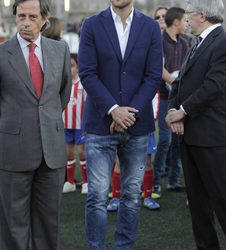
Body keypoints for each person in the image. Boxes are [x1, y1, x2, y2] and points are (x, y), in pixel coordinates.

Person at [0, 0, 72, 249]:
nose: (26, 23)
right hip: (12, 151)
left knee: (48, 225)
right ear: (15, 18)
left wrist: (44, 122)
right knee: (14, 227)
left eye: (32, 17)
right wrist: (14, 125)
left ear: (44, 19)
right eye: (21, 16)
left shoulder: (60, 50)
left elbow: (61, 96)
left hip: (51, 153)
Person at [78, 0, 163, 248]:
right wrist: (114, 110)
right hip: (100, 123)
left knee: (131, 196)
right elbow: (87, 72)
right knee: (96, 196)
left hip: (137, 126)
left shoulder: (149, 27)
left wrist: (129, 114)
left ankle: (124, 247)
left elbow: (153, 74)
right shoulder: (92, 24)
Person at [165, 0, 226, 249]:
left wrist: (183, 111)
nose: (186, 18)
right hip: (189, 136)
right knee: (198, 207)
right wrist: (173, 111)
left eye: (189, 13)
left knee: (222, 201)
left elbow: (214, 85)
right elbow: (179, 83)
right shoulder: (195, 42)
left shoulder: (222, 42)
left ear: (202, 15)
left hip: (213, 139)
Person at [153, 7, 189, 198]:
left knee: (178, 140)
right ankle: (156, 183)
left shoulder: (184, 43)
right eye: (185, 21)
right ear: (176, 22)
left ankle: (174, 180)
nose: (187, 24)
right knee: (165, 140)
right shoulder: (159, 40)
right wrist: (175, 83)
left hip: (179, 99)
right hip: (164, 97)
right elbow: (159, 68)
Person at [62, 53, 88, 194]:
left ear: (78, 68)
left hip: (80, 126)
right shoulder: (62, 83)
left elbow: (88, 104)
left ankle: (86, 182)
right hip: (66, 125)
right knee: (69, 153)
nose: (69, 68)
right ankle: (70, 182)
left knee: (82, 153)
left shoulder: (82, 84)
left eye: (71, 66)